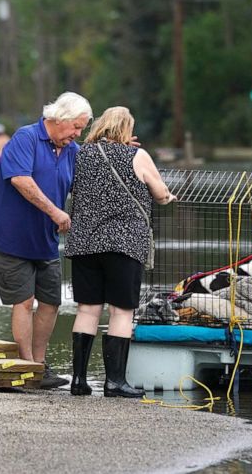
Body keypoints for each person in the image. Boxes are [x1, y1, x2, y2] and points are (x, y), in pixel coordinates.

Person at [63, 106, 175, 397]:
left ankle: (78, 381)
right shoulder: (137, 156)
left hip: (85, 243)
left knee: (87, 309)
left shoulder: (80, 155)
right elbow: (161, 195)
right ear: (127, 129)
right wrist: (167, 195)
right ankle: (114, 382)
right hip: (124, 244)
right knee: (121, 312)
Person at [0, 92, 93, 389]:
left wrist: (120, 151)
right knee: (25, 301)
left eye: (81, 129)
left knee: (50, 302)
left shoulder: (70, 150)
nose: (77, 135)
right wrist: (56, 212)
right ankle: (27, 366)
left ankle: (40, 366)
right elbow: (21, 179)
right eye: (76, 127)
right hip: (10, 239)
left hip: (44, 241)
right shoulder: (26, 138)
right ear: (59, 119)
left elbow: (89, 180)